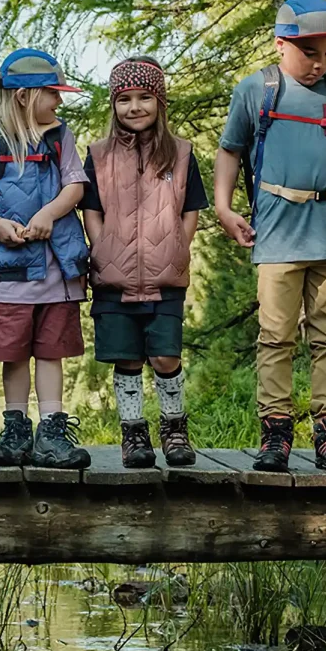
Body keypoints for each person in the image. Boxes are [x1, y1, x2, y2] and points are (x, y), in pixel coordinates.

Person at [214, 0, 326, 473]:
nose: (319, 64)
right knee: (276, 336)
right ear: (281, 43)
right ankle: (275, 436)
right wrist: (223, 208)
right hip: (279, 232)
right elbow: (230, 150)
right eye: (310, 53)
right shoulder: (257, 91)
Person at [0, 48, 91, 470]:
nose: (60, 101)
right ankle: (15, 431)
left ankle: (51, 430)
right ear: (23, 95)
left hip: (59, 268)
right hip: (12, 269)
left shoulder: (60, 136)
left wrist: (49, 214)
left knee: (50, 351)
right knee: (13, 353)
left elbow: (76, 185)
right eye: (53, 93)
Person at [80, 56, 205, 468]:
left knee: (165, 356)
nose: (134, 107)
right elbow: (92, 209)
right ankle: (133, 435)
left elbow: (191, 209)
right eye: (125, 99)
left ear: (160, 102)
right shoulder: (98, 155)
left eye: (145, 98)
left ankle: (174, 428)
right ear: (113, 105)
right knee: (127, 357)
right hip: (112, 277)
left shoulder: (181, 154)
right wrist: (102, 248)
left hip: (165, 275)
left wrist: (178, 246)